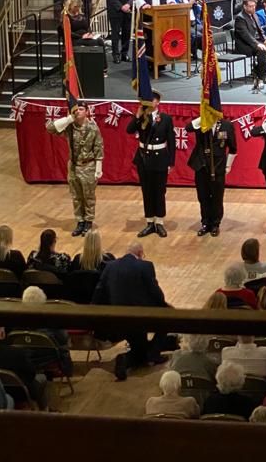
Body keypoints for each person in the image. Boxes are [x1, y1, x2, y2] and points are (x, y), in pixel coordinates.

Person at [92, 242, 170, 380]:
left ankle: (134, 357)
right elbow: (156, 293)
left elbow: (99, 291)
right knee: (168, 318)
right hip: (141, 317)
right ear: (140, 254)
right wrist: (164, 307)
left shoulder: (110, 266)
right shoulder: (145, 266)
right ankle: (151, 355)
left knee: (138, 348)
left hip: (117, 317)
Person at [45, 103, 103, 237]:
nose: (78, 112)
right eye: (76, 110)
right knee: (76, 196)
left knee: (88, 196)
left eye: (81, 109)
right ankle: (80, 221)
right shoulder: (70, 127)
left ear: (87, 112)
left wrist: (98, 169)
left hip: (88, 166)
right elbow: (50, 128)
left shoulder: (93, 128)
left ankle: (88, 221)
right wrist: (69, 119)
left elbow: (99, 149)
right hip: (73, 166)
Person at [126, 92, 175, 238]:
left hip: (160, 159)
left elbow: (171, 141)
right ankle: (149, 222)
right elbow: (129, 130)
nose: (148, 102)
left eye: (151, 100)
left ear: (158, 102)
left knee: (159, 191)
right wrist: (138, 115)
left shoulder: (165, 118)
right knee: (147, 191)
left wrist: (171, 161)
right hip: (144, 158)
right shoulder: (142, 118)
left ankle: (159, 222)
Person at [185, 114, 237, 238]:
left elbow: (233, 148)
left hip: (218, 167)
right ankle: (205, 223)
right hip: (201, 166)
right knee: (203, 196)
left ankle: (215, 224)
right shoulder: (202, 123)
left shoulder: (226, 125)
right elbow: (188, 128)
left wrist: (228, 166)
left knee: (217, 197)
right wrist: (203, 117)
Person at [234, 0, 266, 86]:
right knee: (262, 50)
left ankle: (265, 71)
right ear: (244, 6)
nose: (253, 8)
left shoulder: (254, 14)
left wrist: (265, 40)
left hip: (255, 41)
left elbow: (259, 29)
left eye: (254, 6)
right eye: (250, 6)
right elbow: (246, 36)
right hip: (244, 45)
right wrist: (258, 44)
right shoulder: (240, 18)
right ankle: (261, 76)